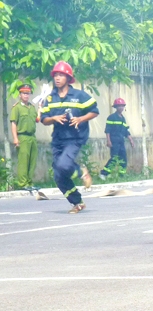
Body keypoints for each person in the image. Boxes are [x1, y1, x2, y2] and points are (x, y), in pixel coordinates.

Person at [40, 61, 99, 214]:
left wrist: (80, 119)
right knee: (59, 176)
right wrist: (54, 118)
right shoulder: (50, 98)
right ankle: (77, 202)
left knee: (64, 165)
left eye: (61, 75)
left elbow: (94, 111)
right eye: (55, 75)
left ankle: (81, 172)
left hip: (75, 138)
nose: (57, 78)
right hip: (58, 139)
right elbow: (44, 119)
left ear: (68, 78)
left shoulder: (79, 96)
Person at [10, 84, 40, 190]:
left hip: (32, 137)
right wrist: (15, 138)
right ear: (20, 95)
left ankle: (29, 182)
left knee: (32, 160)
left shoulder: (32, 107)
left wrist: (40, 107)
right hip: (22, 136)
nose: (26, 95)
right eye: (24, 93)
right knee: (23, 160)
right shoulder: (17, 108)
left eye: (28, 93)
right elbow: (13, 123)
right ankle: (23, 183)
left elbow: (37, 119)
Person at [99, 98, 134, 180]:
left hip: (121, 141)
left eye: (122, 106)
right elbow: (108, 130)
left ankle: (121, 175)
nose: (121, 108)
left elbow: (126, 131)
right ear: (116, 107)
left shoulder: (123, 118)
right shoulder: (111, 117)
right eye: (119, 106)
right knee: (114, 158)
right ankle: (104, 174)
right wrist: (108, 141)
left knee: (123, 158)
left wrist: (131, 140)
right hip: (114, 141)